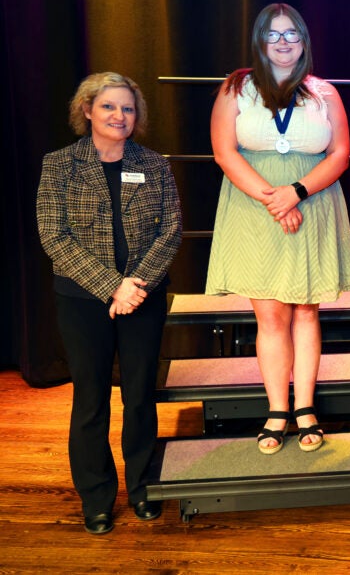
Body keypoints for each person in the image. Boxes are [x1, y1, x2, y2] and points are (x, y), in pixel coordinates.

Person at [206, 3, 350, 455]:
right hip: (255, 210)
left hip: (311, 203)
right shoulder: (237, 87)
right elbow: (224, 152)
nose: (284, 42)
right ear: (260, 41)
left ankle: (306, 408)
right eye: (274, 35)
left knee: (307, 312)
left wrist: (296, 191)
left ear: (304, 41)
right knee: (270, 316)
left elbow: (340, 153)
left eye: (292, 34)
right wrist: (275, 198)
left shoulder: (324, 92)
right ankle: (276, 410)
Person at [37, 72, 182, 534]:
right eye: (109, 107)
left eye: (128, 109)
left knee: (140, 396)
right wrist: (111, 286)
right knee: (91, 399)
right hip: (82, 301)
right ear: (87, 110)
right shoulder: (59, 164)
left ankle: (143, 488)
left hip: (143, 297)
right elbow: (54, 237)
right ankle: (97, 497)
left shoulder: (154, 164)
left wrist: (135, 284)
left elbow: (171, 229)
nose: (120, 116)